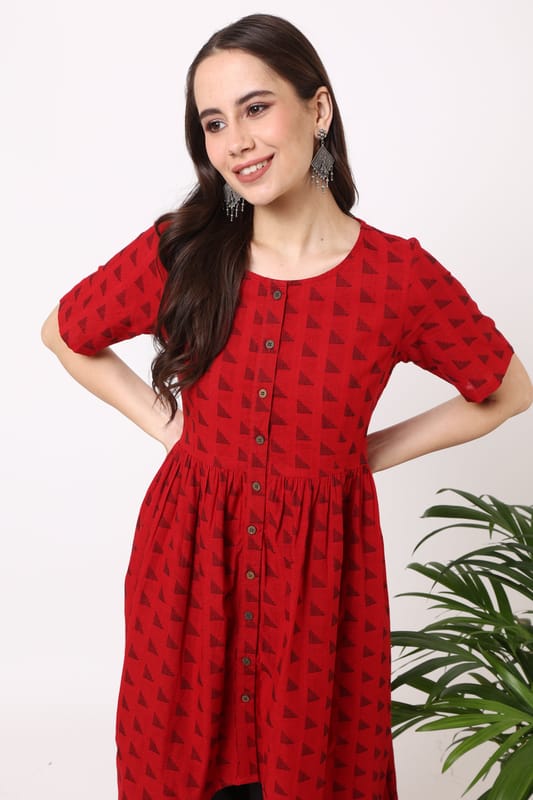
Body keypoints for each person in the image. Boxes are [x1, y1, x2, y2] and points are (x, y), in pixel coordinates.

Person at [41, 13, 532, 800]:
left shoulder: (397, 278)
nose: (235, 140)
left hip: (321, 581)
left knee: (315, 773)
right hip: (188, 566)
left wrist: (360, 453)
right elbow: (65, 332)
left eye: (256, 107)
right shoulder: (184, 249)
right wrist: (174, 431)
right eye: (213, 122)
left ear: (318, 109)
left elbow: (507, 389)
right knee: (177, 764)